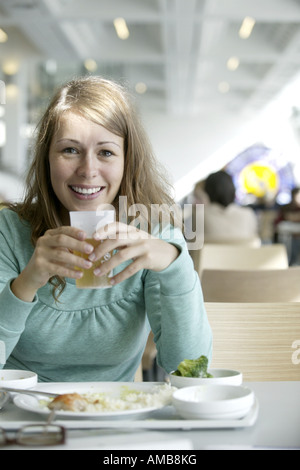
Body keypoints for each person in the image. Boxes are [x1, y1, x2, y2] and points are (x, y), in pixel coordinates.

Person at [0, 76, 212, 382]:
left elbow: (190, 370)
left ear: (128, 161)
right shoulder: (9, 231)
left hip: (116, 415)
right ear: (47, 158)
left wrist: (174, 266)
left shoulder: (155, 233)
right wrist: (27, 282)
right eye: (70, 150)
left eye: (106, 152)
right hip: (25, 419)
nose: (88, 170)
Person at [203, 170, 259, 244]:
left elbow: (193, 249)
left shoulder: (199, 216)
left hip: (211, 255)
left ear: (207, 192)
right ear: (233, 189)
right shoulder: (248, 214)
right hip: (244, 255)